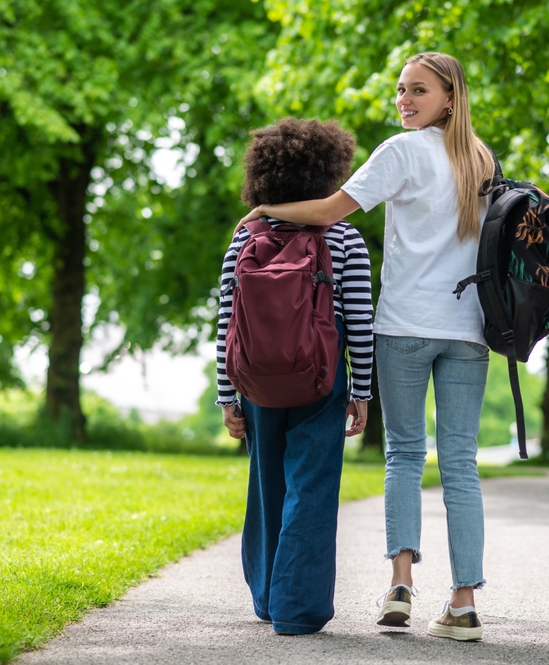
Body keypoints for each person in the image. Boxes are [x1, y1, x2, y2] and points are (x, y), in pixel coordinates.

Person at [237, 52, 493, 641]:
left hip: (405, 325)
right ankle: (463, 602)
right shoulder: (481, 158)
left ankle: (401, 586)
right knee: (460, 464)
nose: (404, 100)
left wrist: (267, 208)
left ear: (450, 98)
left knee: (405, 455)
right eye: (401, 90)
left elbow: (330, 211)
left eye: (418, 91)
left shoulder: (399, 152)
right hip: (468, 330)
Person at [217, 118, 374, 635]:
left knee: (266, 485)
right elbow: (358, 322)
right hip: (319, 380)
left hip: (257, 384)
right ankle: (297, 608)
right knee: (311, 485)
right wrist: (362, 391)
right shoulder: (344, 236)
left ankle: (265, 597)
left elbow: (226, 327)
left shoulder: (244, 238)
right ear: (329, 174)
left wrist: (227, 396)